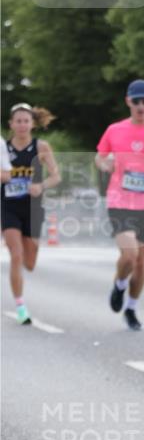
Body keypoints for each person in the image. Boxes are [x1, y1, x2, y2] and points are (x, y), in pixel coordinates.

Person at [95, 80, 144, 330]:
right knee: (129, 255)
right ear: (128, 101)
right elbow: (100, 154)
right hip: (120, 200)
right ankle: (119, 285)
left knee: (141, 261)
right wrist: (104, 164)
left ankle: (131, 308)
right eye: (136, 101)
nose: (140, 106)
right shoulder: (114, 130)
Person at [1, 104, 61, 325]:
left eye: (26, 121)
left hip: (33, 208)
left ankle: (26, 266)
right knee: (15, 255)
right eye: (18, 121)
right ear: (11, 124)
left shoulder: (41, 147)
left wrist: (41, 185)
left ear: (32, 124)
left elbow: (56, 176)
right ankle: (20, 307)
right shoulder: (3, 148)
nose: (22, 125)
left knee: (30, 261)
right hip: (8, 206)